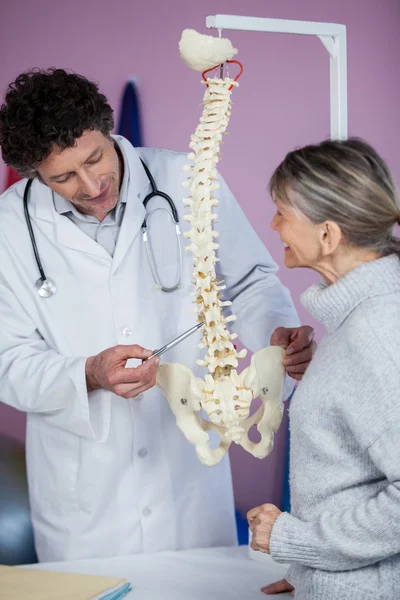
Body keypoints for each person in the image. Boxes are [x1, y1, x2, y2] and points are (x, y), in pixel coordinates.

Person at [0, 68, 315, 562]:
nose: (91, 183)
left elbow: (251, 280)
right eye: (63, 178)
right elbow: (7, 358)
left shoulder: (184, 179)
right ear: (35, 173)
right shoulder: (10, 227)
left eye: (95, 158)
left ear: (107, 131)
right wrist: (86, 373)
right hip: (83, 497)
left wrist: (273, 336)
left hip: (187, 473)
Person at [248, 138, 400, 599]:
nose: (273, 225)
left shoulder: (374, 331)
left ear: (328, 235)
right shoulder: (359, 319)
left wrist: (297, 541)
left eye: (282, 213)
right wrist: (307, 571)